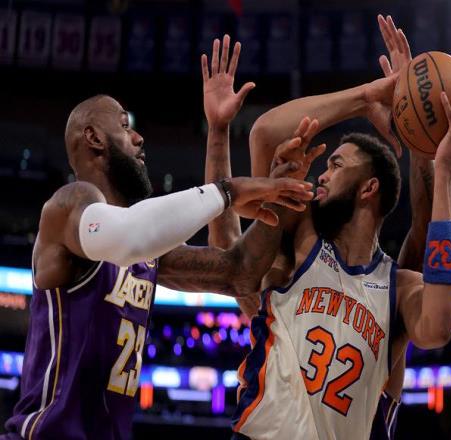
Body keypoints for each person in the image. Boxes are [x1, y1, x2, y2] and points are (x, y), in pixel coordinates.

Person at [203, 27, 451, 440]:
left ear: (369, 188)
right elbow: (265, 136)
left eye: (335, 165)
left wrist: (437, 163)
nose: (322, 174)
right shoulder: (298, 245)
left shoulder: (398, 288)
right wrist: (367, 97)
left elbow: (439, 321)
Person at [0, 92, 314, 439]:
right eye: (125, 126)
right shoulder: (68, 206)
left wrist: (279, 185)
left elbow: (239, 273)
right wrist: (228, 191)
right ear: (94, 137)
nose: (138, 138)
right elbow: (130, 234)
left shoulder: (147, 252)